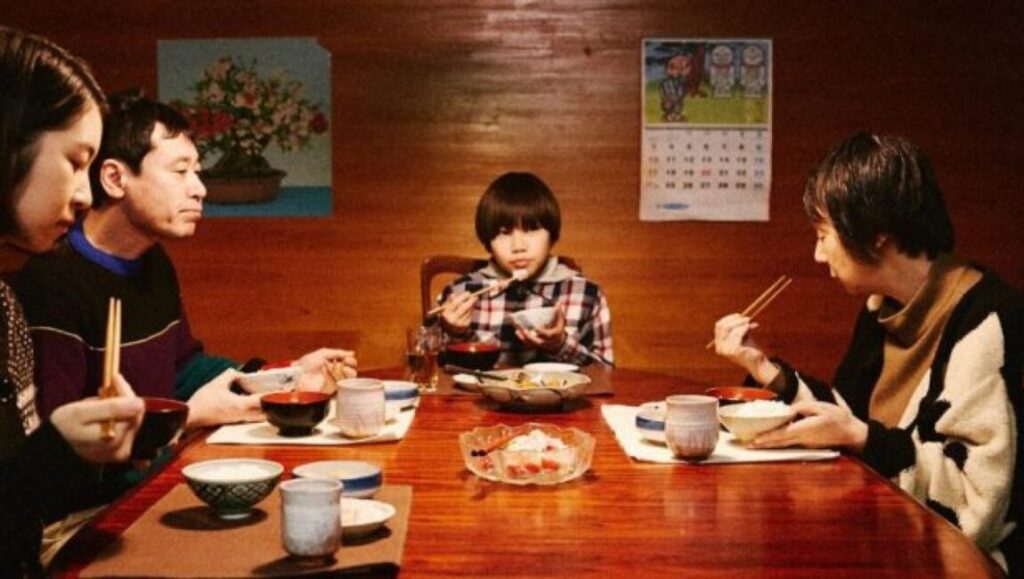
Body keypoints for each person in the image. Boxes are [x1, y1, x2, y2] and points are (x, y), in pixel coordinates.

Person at [712, 132, 1023, 574]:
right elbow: (848, 418)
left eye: (824, 234)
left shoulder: (988, 320)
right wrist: (764, 369)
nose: (818, 254)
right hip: (890, 537)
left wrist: (862, 438)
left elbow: (978, 507)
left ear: (877, 236)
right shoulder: (882, 307)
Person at [10, 91, 357, 431]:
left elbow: (183, 370)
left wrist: (287, 374)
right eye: (180, 171)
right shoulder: (53, 283)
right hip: (113, 488)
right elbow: (57, 446)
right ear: (115, 179)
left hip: (156, 470)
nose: (199, 189)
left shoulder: (153, 261)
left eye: (197, 171)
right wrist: (188, 417)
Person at [0, 27, 144, 577]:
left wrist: (80, 451)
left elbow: (15, 500)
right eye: (75, 161)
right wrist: (63, 449)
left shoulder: (4, 303)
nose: (85, 196)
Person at [437, 172, 613, 367]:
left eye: (531, 230)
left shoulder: (585, 293)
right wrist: (454, 332)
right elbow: (426, 369)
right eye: (504, 233)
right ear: (488, 242)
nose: (518, 246)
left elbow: (606, 374)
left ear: (552, 236)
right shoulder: (460, 292)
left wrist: (560, 345)